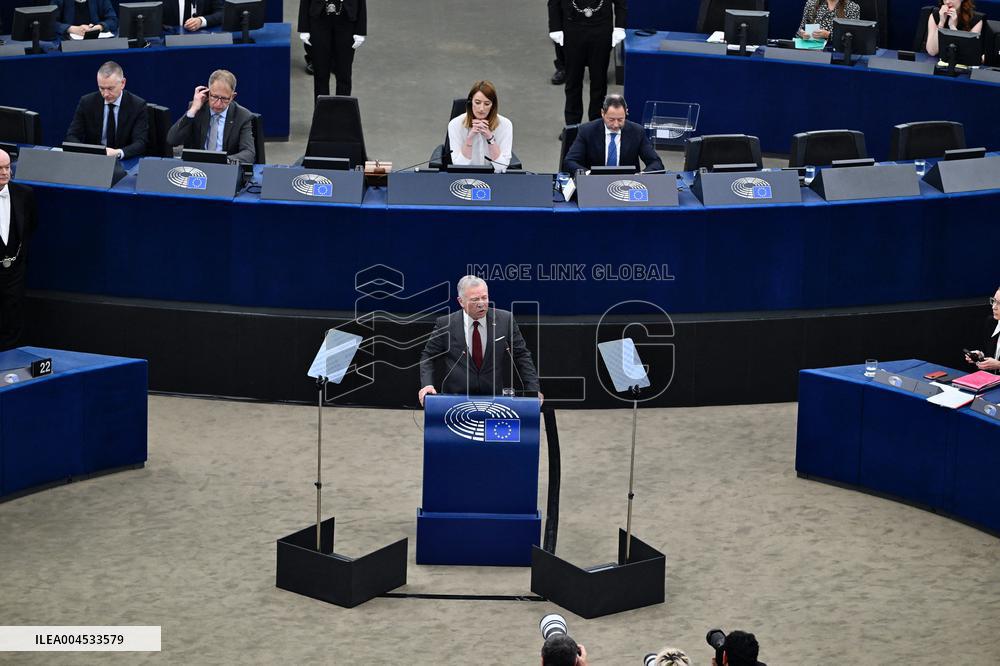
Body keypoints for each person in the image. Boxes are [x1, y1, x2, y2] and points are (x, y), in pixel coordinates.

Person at [418, 276, 540, 405]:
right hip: (455, 399)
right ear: (461, 301)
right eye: (475, 299)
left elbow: (522, 355)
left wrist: (533, 390)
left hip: (494, 399)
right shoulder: (446, 324)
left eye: (484, 297)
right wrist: (427, 385)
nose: (481, 303)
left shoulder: (505, 320)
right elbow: (428, 356)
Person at [548, 0, 627, 126]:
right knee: (572, 82)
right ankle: (572, 126)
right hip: (572, 29)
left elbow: (621, 2)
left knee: (599, 83)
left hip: (601, 29)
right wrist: (555, 26)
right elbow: (553, 2)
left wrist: (620, 26)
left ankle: (596, 126)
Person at [166, 69, 255, 164]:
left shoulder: (242, 116)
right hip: (197, 168)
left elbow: (249, 153)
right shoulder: (197, 109)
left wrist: (222, 160)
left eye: (224, 98)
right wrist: (192, 110)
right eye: (214, 97)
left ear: (232, 96)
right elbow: (172, 140)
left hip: (225, 168)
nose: (218, 103)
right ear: (208, 92)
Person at [65, 61, 148, 160]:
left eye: (110, 88)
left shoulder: (137, 105)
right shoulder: (87, 102)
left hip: (123, 161)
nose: (105, 94)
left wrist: (118, 153)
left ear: (123, 83)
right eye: (101, 88)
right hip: (94, 160)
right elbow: (72, 136)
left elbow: (141, 142)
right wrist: (88, 152)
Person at [563, 94, 664, 173]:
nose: (616, 125)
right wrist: (587, 174)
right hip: (595, 182)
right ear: (603, 113)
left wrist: (641, 175)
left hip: (627, 183)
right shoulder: (587, 131)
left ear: (626, 112)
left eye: (620, 119)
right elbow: (569, 161)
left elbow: (656, 163)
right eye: (611, 119)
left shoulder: (637, 131)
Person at [0, 149, 39, 351]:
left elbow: (30, 227)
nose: (5, 172)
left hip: (14, 272)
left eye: (7, 167)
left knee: (12, 321)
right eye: (0, 168)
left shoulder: (24, 194)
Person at [298, 0, 367, 100]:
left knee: (344, 73)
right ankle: (321, 109)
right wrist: (304, 27)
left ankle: (342, 108)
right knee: (320, 73)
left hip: (347, 20)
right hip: (319, 20)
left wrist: (360, 30)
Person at [447, 81, 513, 173]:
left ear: (492, 105)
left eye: (487, 104)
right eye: (477, 102)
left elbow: (501, 167)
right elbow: (459, 166)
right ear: (470, 102)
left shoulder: (505, 125)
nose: (481, 108)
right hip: (465, 176)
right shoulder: (455, 124)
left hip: (494, 176)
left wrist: (490, 138)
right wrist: (470, 138)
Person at [964, 286, 1000, 373]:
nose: (994, 307)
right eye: (994, 301)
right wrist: (980, 357)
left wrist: (999, 365)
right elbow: (991, 355)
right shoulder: (991, 322)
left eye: (999, 303)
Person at [796, 0, 861, 40]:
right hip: (813, 49)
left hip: (838, 52)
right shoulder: (811, 4)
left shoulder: (852, 7)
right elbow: (800, 30)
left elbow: (853, 38)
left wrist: (828, 35)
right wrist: (802, 34)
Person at [53, 0, 117, 37]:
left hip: (96, 40)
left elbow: (113, 20)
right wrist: (70, 29)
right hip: (67, 41)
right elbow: (51, 23)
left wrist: (99, 27)